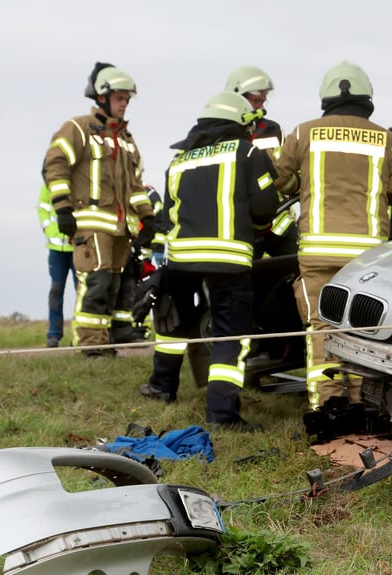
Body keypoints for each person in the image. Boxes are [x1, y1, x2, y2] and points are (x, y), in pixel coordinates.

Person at [273, 61, 392, 422]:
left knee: (321, 327)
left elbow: (280, 183)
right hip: (368, 258)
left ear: (327, 99)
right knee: (363, 329)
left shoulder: (303, 134)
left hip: (317, 252)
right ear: (367, 100)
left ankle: (327, 407)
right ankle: (362, 404)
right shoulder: (386, 139)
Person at [137, 91, 278, 432]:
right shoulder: (247, 152)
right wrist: (258, 232)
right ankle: (222, 415)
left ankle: (161, 387)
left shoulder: (180, 160)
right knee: (231, 333)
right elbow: (264, 206)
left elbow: (167, 215)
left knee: (174, 327)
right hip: (229, 261)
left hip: (182, 260)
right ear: (240, 122)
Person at [42, 62, 155, 357]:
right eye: (120, 98)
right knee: (97, 281)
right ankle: (90, 345)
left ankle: (110, 340)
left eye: (127, 100)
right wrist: (63, 208)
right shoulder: (78, 128)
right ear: (102, 97)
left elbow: (136, 185)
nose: (124, 105)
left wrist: (149, 219)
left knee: (117, 285)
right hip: (92, 225)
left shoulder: (127, 141)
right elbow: (54, 165)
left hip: (121, 228)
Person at [224, 65, 297, 259]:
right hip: (243, 225)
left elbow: (285, 172)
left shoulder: (272, 129)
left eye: (263, 101)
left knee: (296, 268)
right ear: (237, 98)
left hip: (278, 222)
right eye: (257, 101)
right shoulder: (223, 135)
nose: (261, 108)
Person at [36, 183, 77, 347]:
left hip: (77, 247)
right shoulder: (49, 184)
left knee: (81, 291)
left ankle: (79, 334)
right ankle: (54, 334)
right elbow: (42, 208)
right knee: (56, 290)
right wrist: (48, 228)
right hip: (56, 249)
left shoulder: (79, 179)